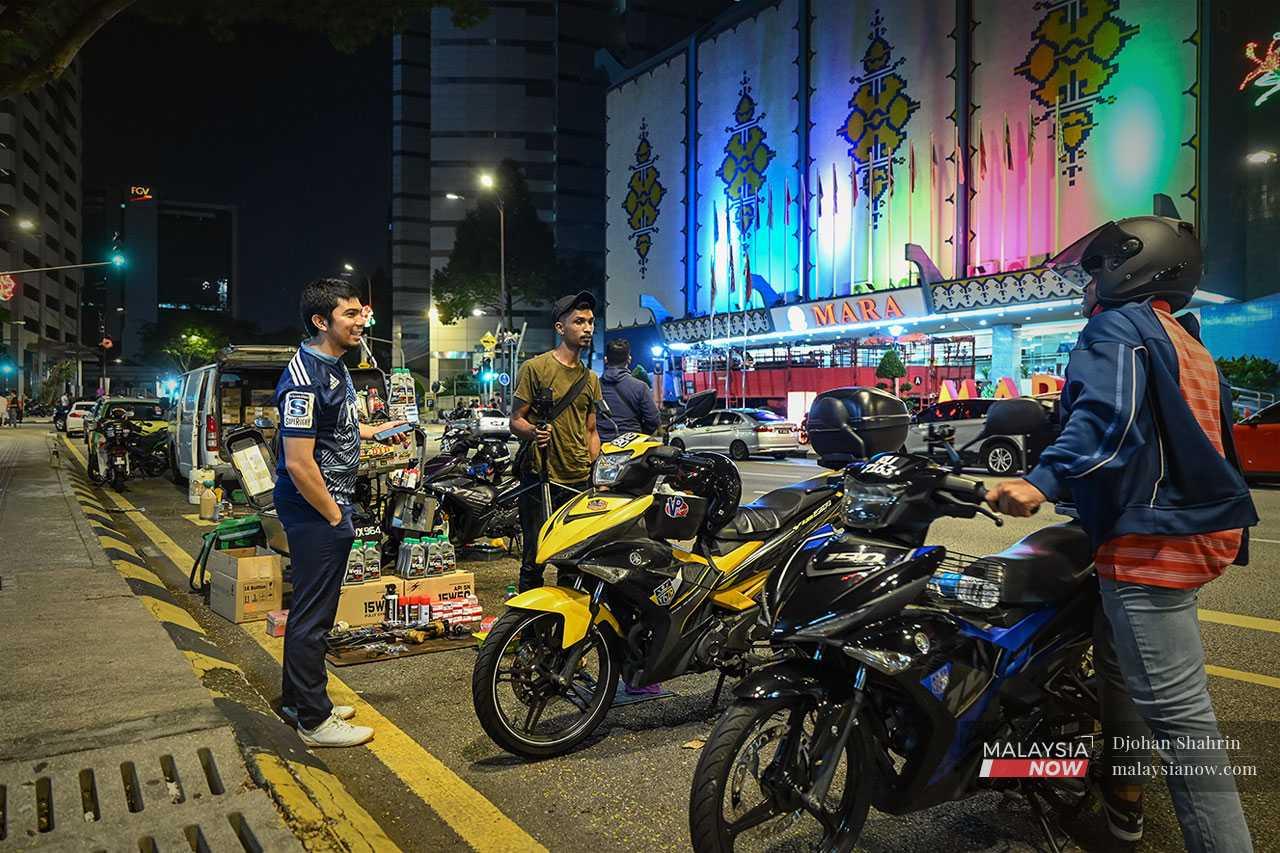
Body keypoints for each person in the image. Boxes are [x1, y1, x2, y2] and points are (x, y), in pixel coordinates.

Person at [986, 217, 1258, 850]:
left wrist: (1043, 481)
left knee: (1185, 726)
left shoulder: (1118, 327)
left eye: (1095, 267)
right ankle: (1122, 805)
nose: (1087, 284)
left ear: (1132, 266)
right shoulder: (1183, 338)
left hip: (1148, 543)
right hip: (1188, 529)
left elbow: (1109, 416)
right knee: (1122, 675)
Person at [273, 278, 406, 748]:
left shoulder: (335, 366)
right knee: (314, 615)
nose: (361, 321)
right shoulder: (304, 380)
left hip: (327, 504)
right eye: (349, 314)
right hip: (315, 509)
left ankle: (297, 701)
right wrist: (333, 516)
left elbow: (337, 429)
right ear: (320, 321)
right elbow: (297, 461)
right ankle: (315, 720)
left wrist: (376, 432)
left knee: (309, 610)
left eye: (360, 313)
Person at [508, 290, 602, 592]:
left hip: (577, 483)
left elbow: (591, 430)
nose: (587, 328)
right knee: (534, 560)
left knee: (572, 562)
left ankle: (565, 632)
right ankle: (526, 630)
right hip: (540, 479)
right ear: (560, 328)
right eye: (578, 321)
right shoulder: (536, 368)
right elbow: (515, 421)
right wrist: (533, 432)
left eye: (590, 321)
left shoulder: (591, 379)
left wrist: (594, 471)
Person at [597, 339, 660, 442]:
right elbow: (653, 420)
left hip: (601, 445)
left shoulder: (595, 386)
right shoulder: (640, 387)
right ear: (629, 359)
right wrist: (639, 433)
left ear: (605, 360)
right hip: (632, 445)